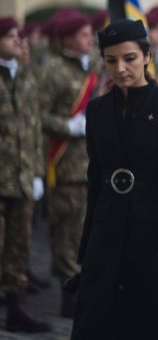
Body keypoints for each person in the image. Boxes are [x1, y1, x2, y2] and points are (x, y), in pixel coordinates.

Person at [70, 19, 158, 339]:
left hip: (155, 232)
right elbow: (96, 179)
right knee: (101, 321)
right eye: (110, 60)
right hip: (108, 231)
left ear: (146, 56)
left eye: (129, 58)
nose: (120, 69)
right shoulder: (98, 110)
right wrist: (88, 245)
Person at [38, 8, 101, 317]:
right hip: (64, 164)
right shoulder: (53, 69)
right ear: (67, 39)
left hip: (93, 162)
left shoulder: (93, 66)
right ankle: (70, 297)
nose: (91, 38)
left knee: (87, 230)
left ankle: (86, 287)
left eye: (91, 33)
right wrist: (69, 125)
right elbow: (40, 114)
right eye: (84, 34)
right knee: (68, 232)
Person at [0, 17, 51, 333]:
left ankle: (17, 309)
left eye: (20, 36)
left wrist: (35, 172)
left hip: (21, 178)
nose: (19, 41)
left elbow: (32, 129)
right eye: (10, 36)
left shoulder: (26, 77)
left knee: (19, 246)